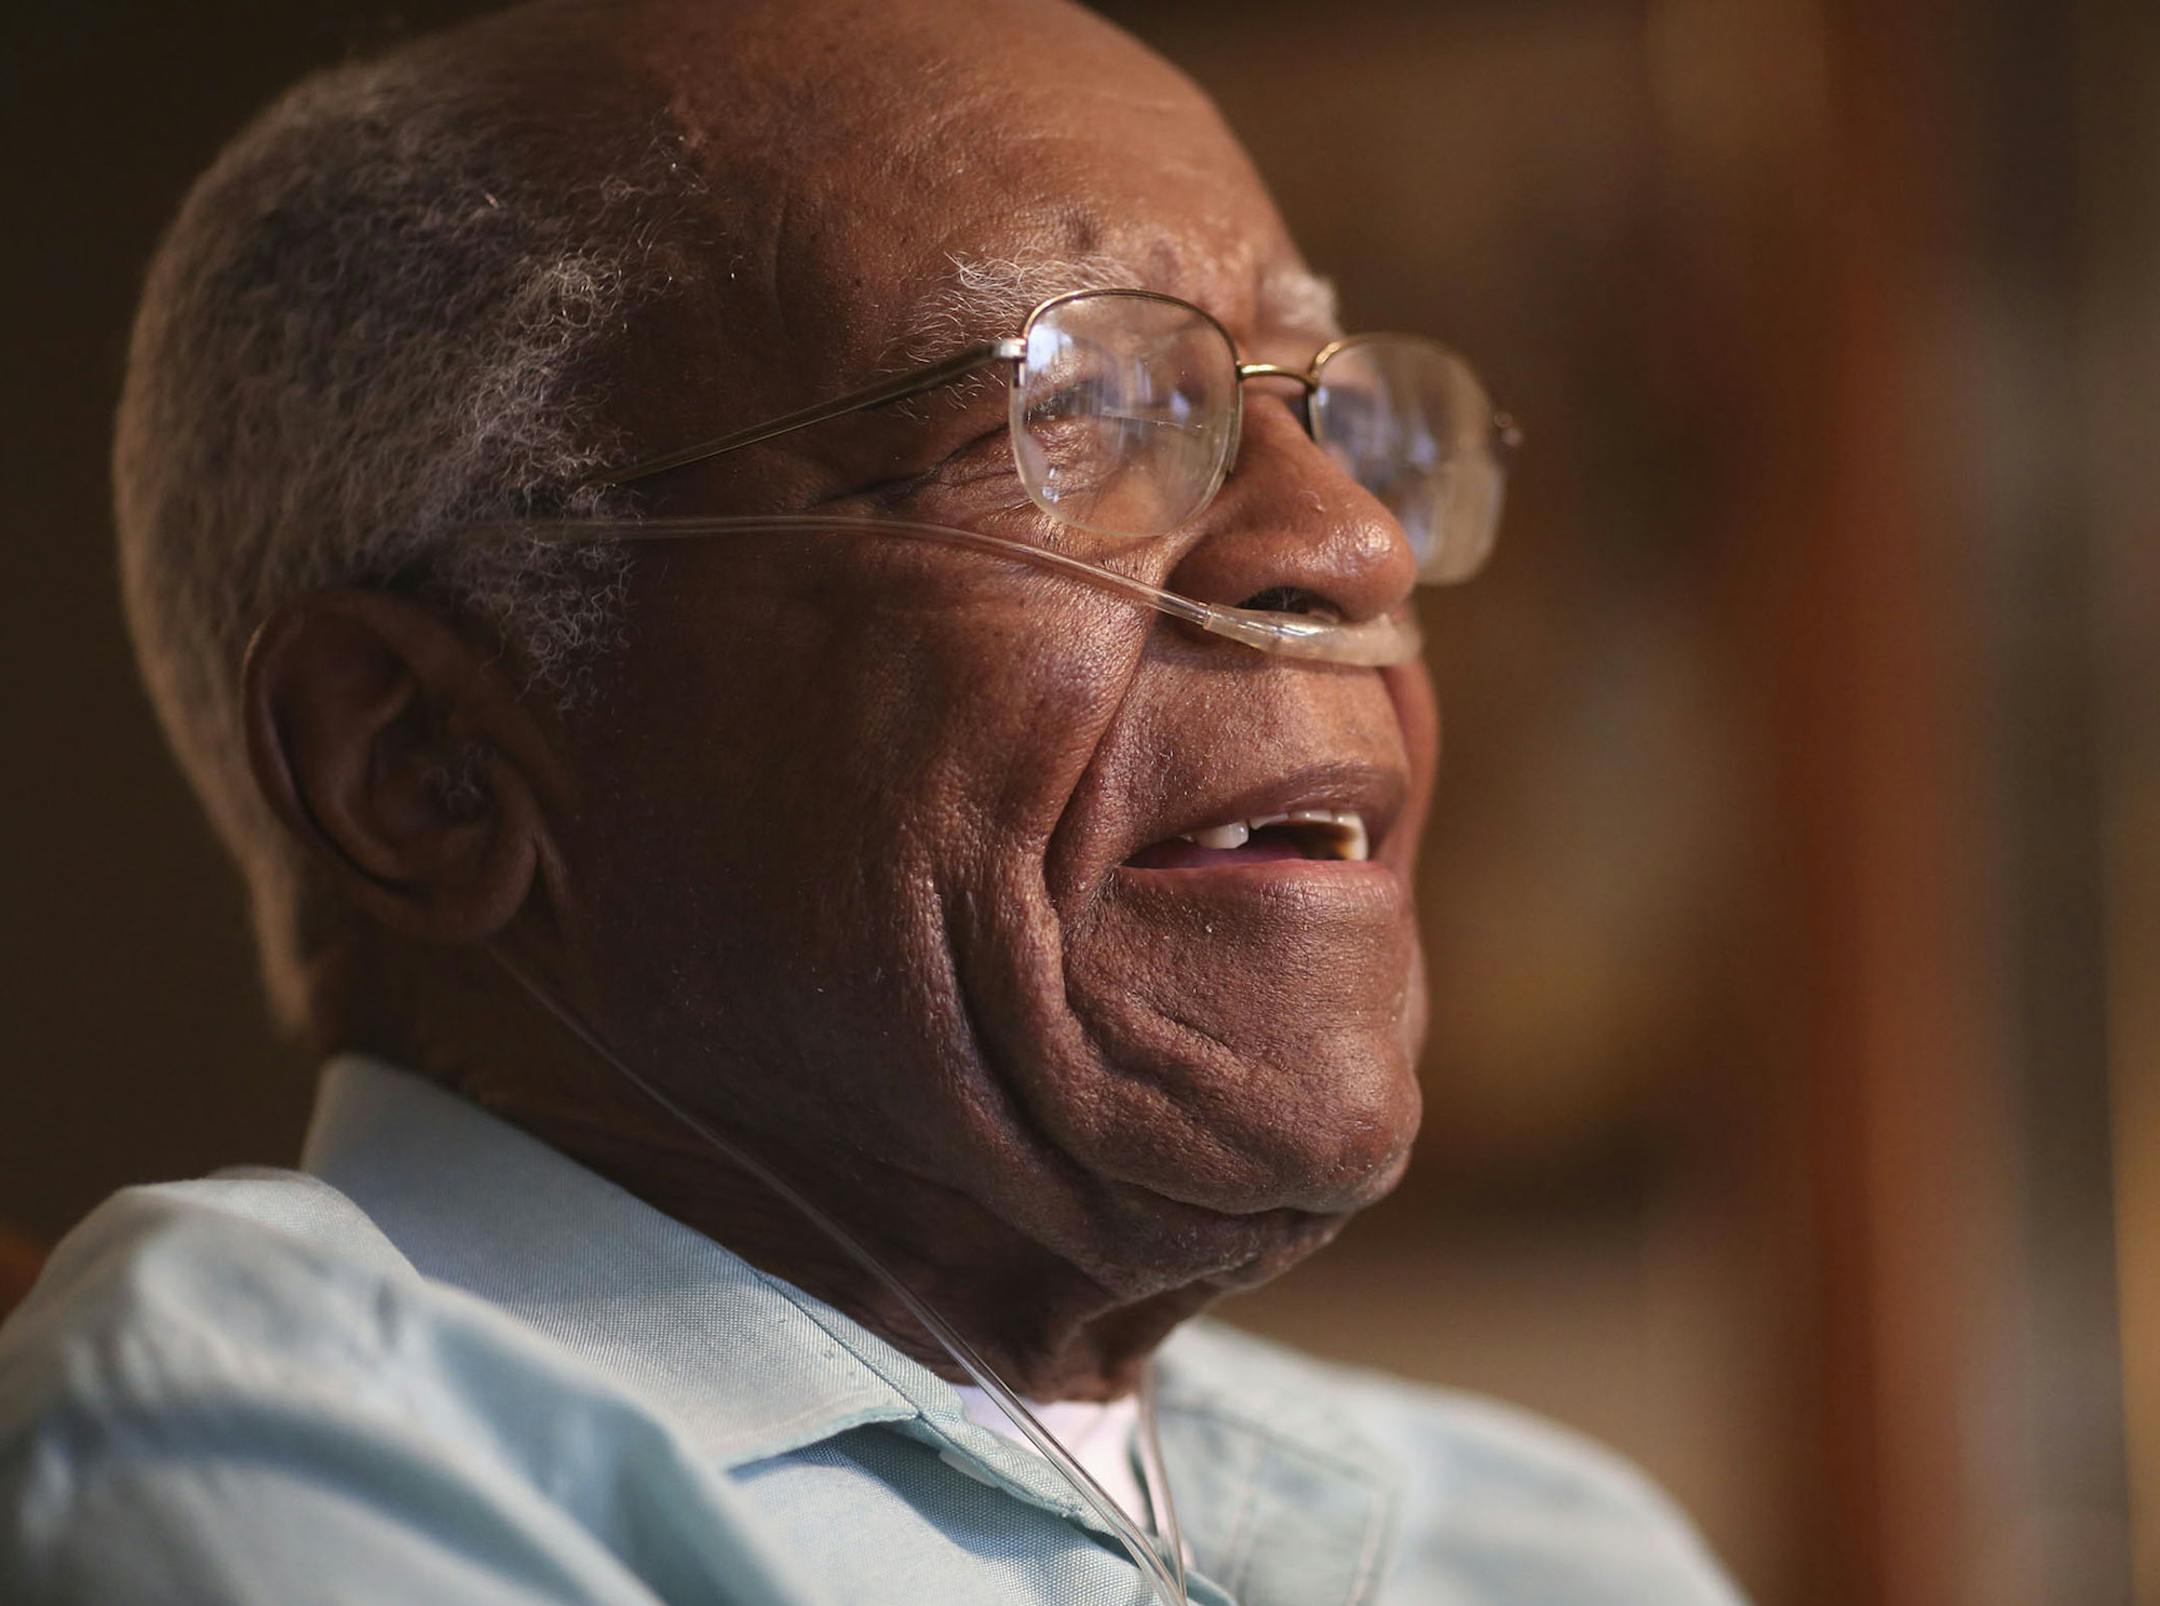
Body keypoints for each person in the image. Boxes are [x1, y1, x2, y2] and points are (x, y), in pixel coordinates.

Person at [0, 0, 1743, 1600]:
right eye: (1081, 413)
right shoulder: (267, 1440)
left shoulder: (1546, 1542)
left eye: (1336, 418)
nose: (1349, 543)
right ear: (425, 770)